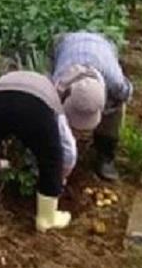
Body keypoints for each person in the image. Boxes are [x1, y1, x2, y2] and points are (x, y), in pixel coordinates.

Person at [0, 70, 86, 233]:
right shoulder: (52, 96)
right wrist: (61, 175)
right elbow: (66, 147)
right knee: (51, 159)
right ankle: (46, 219)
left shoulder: (10, 76)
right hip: (34, 106)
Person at [52, 32, 133, 181]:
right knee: (56, 115)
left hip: (103, 45)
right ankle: (63, 150)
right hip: (66, 42)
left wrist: (114, 108)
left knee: (115, 107)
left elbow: (126, 94)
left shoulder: (115, 82)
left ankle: (106, 155)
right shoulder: (58, 82)